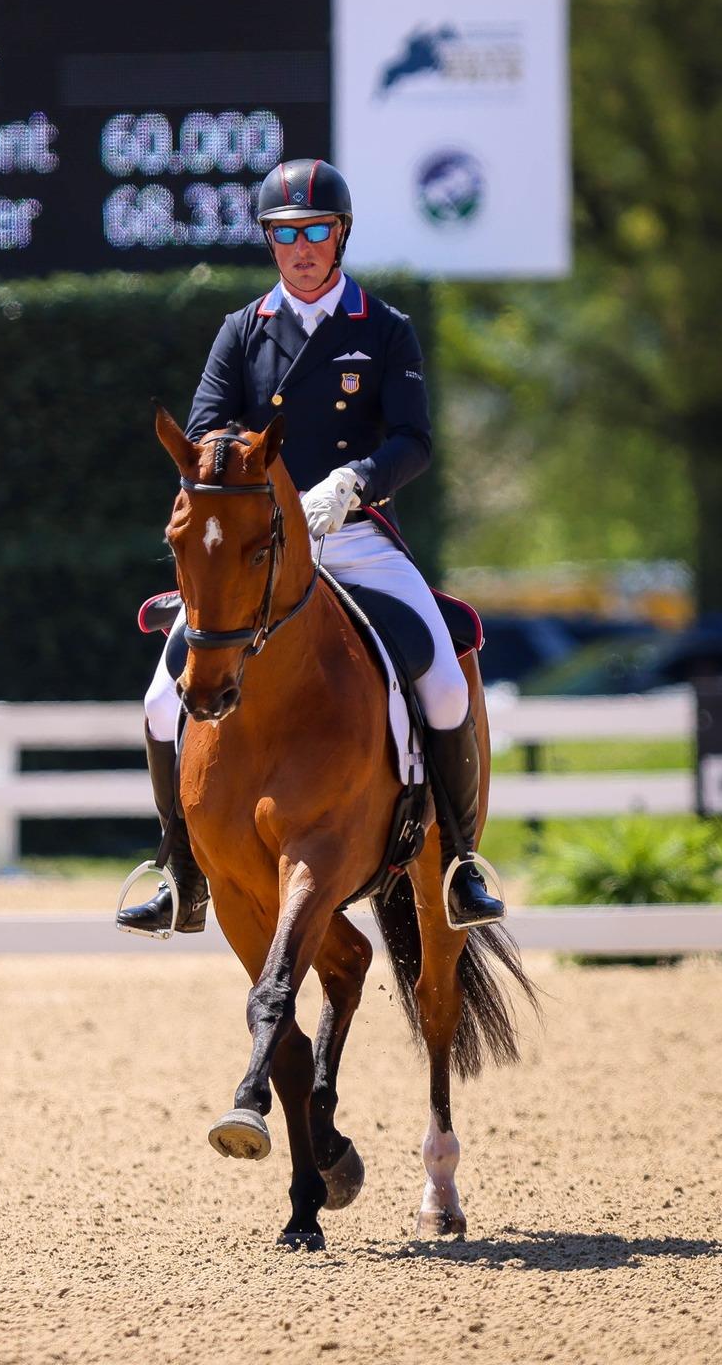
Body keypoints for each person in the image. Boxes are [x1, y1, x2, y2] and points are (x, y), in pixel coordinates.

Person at [118, 156, 505, 937]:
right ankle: (179, 870)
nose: (302, 248)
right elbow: (201, 435)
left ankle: (460, 863)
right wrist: (247, 484)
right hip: (258, 548)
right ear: (270, 242)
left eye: (316, 232)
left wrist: (353, 483)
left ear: (341, 236)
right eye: (286, 235)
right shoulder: (242, 332)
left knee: (447, 685)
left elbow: (413, 440)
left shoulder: (383, 330)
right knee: (163, 702)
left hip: (354, 534)